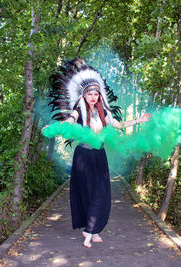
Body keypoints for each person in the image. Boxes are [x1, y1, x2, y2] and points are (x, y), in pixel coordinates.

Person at [46, 58, 151, 248]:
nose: (93, 96)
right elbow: (70, 121)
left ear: (99, 95)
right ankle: (90, 230)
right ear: (84, 96)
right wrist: (56, 127)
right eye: (90, 93)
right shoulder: (79, 110)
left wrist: (139, 120)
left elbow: (119, 124)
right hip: (83, 157)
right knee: (87, 192)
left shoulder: (105, 113)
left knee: (102, 192)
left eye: (96, 93)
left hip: (99, 156)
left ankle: (92, 229)